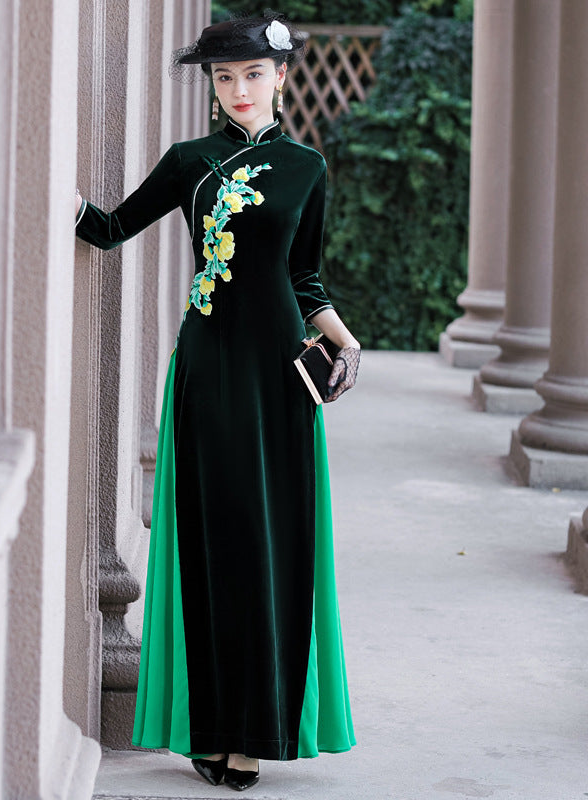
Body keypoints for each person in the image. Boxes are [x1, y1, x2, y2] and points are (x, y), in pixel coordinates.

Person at [75, 11, 359, 792]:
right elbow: (108, 229)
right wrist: (43, 187)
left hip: (280, 381)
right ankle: (215, 728)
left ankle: (254, 731)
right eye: (224, 76)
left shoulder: (307, 168)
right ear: (212, 84)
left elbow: (305, 280)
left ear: (281, 77)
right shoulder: (189, 161)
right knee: (214, 543)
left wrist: (344, 336)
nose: (238, 89)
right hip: (207, 373)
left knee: (275, 548)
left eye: (253, 74)